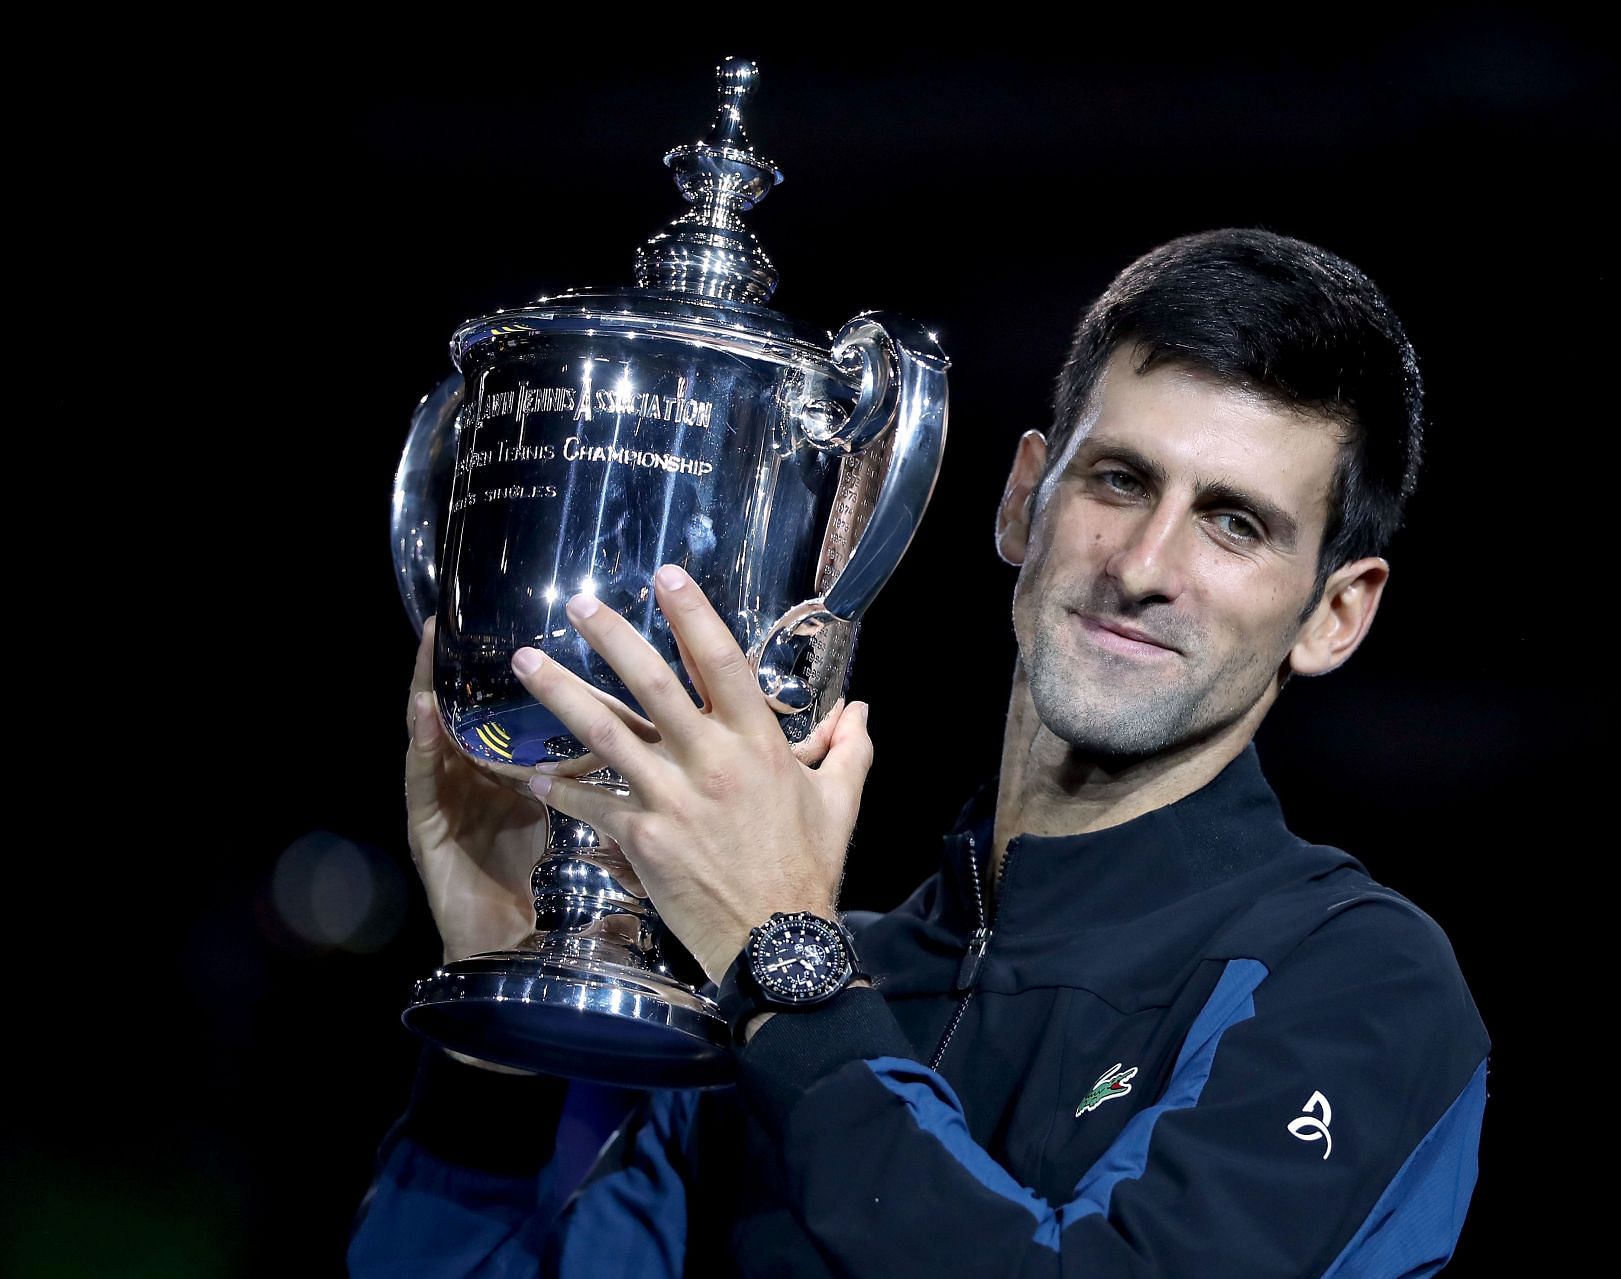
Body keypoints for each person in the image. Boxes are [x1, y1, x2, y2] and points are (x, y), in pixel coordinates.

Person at [351, 228, 1491, 1277]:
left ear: (1335, 614)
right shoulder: (810, 981)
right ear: (1020, 500)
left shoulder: (1354, 982)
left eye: (1234, 522)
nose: (1145, 564)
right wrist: (500, 1048)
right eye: (1120, 480)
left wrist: (784, 966)